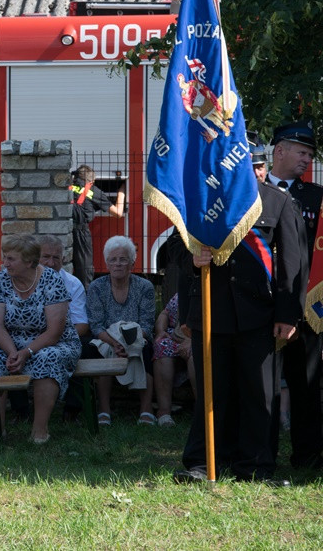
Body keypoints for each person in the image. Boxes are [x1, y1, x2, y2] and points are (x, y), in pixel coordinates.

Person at [174, 175, 303, 484]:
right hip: (210, 311)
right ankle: (203, 464)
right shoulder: (201, 195)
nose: (254, 170)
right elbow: (175, 248)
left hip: (259, 314)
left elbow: (290, 261)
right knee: (210, 393)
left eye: (258, 164)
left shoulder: (277, 200)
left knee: (259, 395)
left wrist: (288, 314)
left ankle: (256, 466)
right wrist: (192, 259)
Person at [267, 121, 323, 470]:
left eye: (311, 154)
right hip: (261, 304)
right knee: (264, 385)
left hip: (305, 305)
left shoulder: (316, 197)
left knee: (305, 384)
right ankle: (262, 454)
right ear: (280, 150)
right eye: (302, 153)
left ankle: (308, 456)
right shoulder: (252, 192)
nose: (307, 160)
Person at [0, 234, 80, 443]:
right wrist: (12, 353)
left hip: (54, 342)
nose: (5, 263)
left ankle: (39, 431)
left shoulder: (51, 280)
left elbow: (55, 331)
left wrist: (27, 352)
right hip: (11, 343)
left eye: (11, 259)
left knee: (47, 357)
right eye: (5, 258)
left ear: (29, 262)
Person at [85, 236, 156, 425]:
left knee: (146, 350)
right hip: (107, 339)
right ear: (107, 263)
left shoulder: (145, 287)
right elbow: (96, 325)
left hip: (137, 338)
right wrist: (115, 343)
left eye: (123, 259)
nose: (118, 264)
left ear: (132, 263)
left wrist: (128, 343)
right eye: (113, 259)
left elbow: (147, 325)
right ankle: (104, 410)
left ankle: (146, 409)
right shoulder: (96, 287)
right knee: (101, 351)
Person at [36, 235, 89, 423]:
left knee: (84, 347)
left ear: (64, 258)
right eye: (46, 257)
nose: (51, 263)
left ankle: (72, 410)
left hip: (63, 338)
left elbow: (82, 325)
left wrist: (55, 337)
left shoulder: (73, 284)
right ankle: (21, 410)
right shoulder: (24, 281)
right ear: (36, 257)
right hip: (31, 339)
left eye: (56, 258)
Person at [69, 165, 124, 287]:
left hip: (63, 229)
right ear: (92, 181)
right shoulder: (93, 191)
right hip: (81, 232)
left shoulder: (67, 186)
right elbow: (118, 213)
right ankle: (85, 295)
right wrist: (121, 192)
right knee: (84, 268)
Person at [151, 293, 195, 427]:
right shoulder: (183, 291)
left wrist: (192, 341)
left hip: (202, 340)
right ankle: (164, 412)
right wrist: (160, 331)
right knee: (161, 346)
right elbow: (165, 313)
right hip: (175, 336)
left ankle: (203, 412)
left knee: (197, 356)